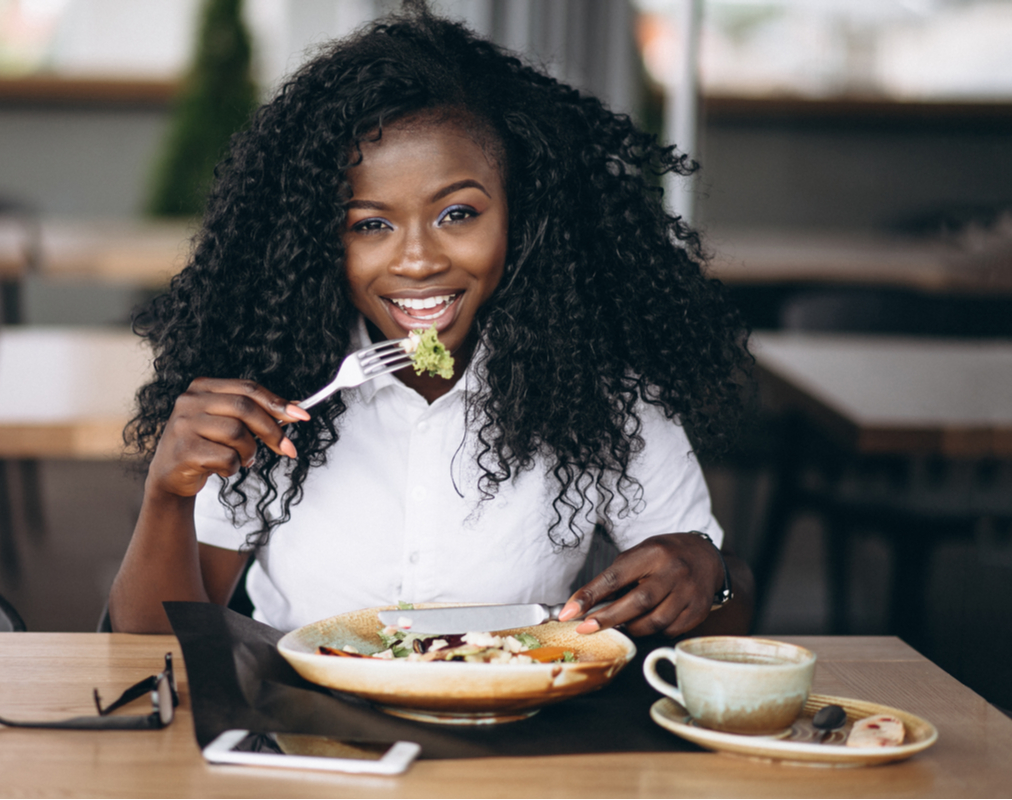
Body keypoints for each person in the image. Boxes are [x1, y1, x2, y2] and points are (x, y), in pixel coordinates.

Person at [110, 1, 755, 638]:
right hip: (307, 730)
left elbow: (726, 610)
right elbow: (151, 646)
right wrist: (168, 496)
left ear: (521, 218)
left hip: (517, 732)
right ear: (318, 240)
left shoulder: (598, 390)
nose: (417, 261)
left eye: (458, 214)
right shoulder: (275, 393)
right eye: (371, 224)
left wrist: (708, 573)